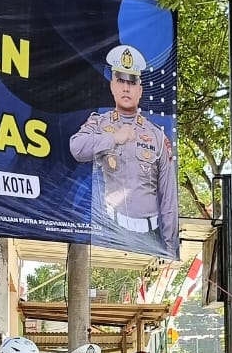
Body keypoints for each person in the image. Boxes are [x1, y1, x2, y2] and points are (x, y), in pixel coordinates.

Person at [69, 43, 179, 254]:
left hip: (150, 234)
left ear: (140, 90)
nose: (126, 88)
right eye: (120, 80)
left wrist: (170, 247)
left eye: (132, 82)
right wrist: (112, 138)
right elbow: (76, 148)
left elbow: (168, 197)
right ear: (112, 86)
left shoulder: (156, 135)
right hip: (110, 230)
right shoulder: (99, 123)